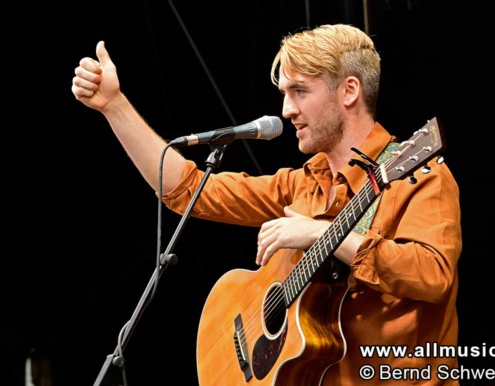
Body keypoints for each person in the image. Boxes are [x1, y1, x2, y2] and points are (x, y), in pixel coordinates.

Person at [71, 24, 462, 385]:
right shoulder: (300, 185)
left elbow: (433, 276)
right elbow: (188, 189)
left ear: (349, 91)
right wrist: (114, 105)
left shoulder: (419, 175)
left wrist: (323, 234)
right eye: (284, 95)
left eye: (300, 91)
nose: (286, 110)